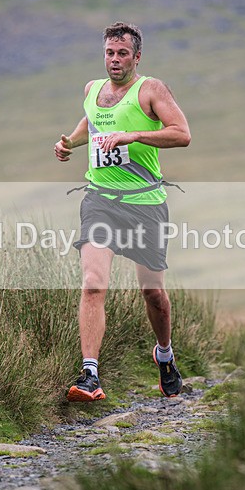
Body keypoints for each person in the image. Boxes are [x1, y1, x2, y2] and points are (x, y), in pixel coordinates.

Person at [53, 21, 191, 402]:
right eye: (109, 53)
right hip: (100, 200)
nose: (114, 61)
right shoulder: (92, 89)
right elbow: (92, 123)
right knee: (93, 283)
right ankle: (90, 376)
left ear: (137, 57)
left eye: (122, 54)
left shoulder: (151, 90)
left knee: (153, 293)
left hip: (146, 205)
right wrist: (70, 142)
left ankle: (164, 354)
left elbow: (182, 133)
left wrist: (133, 135)